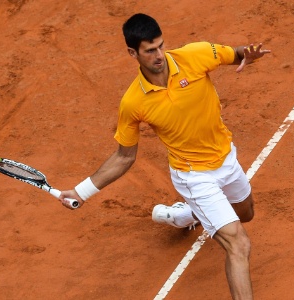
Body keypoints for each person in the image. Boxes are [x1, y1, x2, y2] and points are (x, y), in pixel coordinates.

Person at [58, 13, 270, 300]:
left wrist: (250, 55)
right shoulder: (134, 102)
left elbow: (235, 54)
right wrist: (81, 192)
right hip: (193, 175)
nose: (159, 55)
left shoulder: (194, 55)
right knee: (238, 245)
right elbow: (123, 157)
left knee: (245, 214)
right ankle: (196, 207)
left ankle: (187, 214)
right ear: (132, 53)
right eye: (149, 50)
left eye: (160, 46)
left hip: (225, 158)